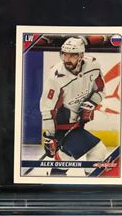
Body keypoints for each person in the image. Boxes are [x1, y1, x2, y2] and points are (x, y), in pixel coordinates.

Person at [39, 37, 110, 175]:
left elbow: (101, 91)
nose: (67, 59)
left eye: (72, 55)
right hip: (62, 126)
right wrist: (50, 137)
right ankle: (85, 178)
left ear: (81, 55)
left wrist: (91, 103)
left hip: (76, 126)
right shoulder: (54, 77)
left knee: (70, 155)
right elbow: (47, 109)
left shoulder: (93, 66)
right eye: (65, 54)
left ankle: (57, 175)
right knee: (97, 150)